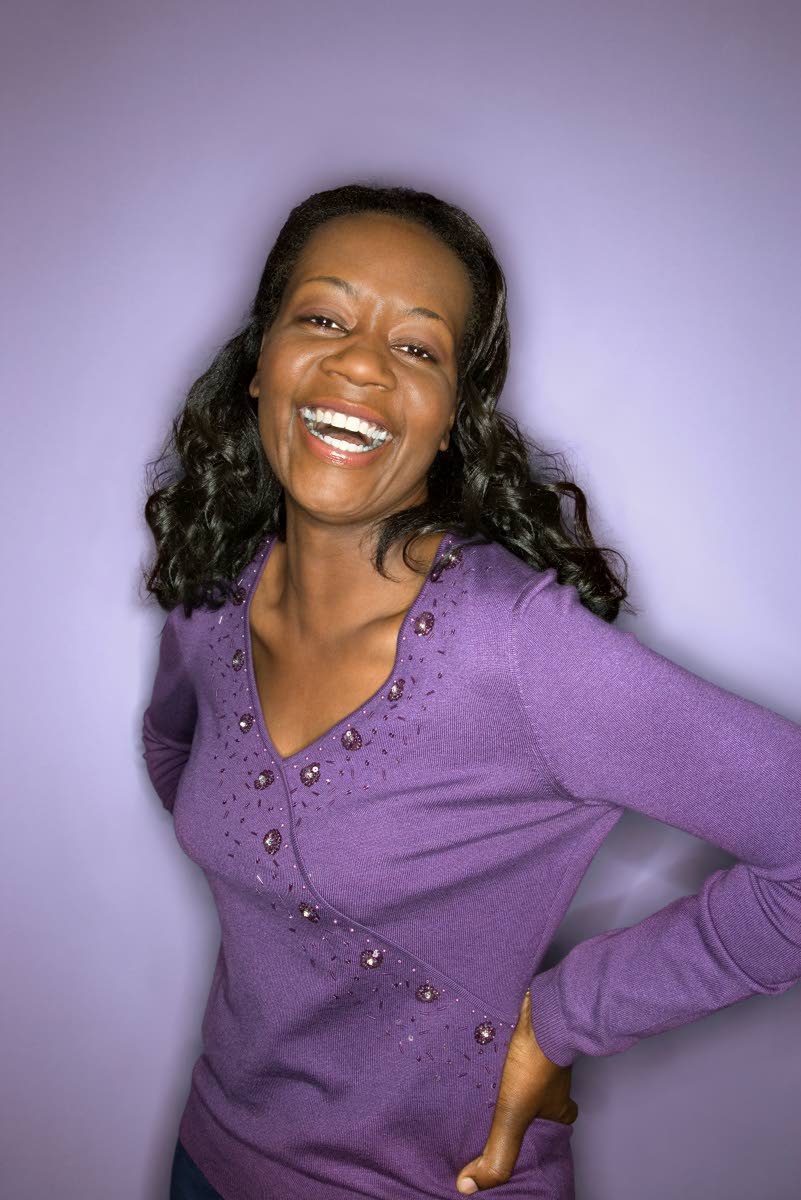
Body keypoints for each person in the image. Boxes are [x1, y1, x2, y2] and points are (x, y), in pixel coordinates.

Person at [141, 182, 801, 1200]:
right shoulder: (213, 603)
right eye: (323, 319)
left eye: (417, 347)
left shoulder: (517, 647)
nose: (361, 363)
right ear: (259, 365)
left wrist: (565, 1017)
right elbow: (177, 756)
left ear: (452, 419)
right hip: (210, 1160)